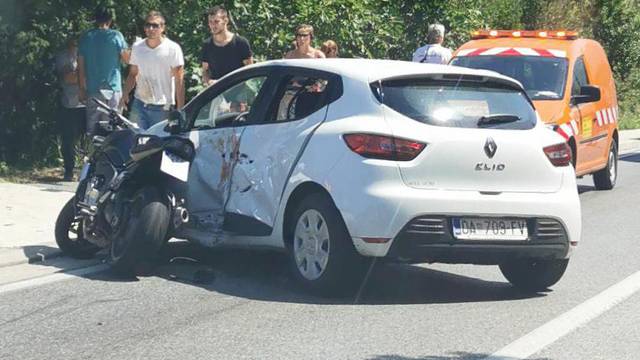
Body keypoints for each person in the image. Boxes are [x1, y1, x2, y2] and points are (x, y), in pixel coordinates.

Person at [120, 11, 185, 130]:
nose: (151, 28)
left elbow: (179, 80)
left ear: (162, 28)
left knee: (158, 144)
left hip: (162, 107)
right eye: (148, 25)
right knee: (135, 140)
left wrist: (180, 109)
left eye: (155, 25)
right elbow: (133, 74)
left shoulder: (172, 49)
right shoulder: (138, 47)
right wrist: (125, 94)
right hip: (139, 103)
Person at [78, 6, 129, 135]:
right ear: (110, 20)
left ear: (95, 19)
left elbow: (81, 66)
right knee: (113, 129)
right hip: (113, 89)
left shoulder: (86, 37)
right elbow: (127, 59)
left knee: (92, 129)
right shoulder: (116, 36)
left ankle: (92, 153)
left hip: (93, 89)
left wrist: (81, 88)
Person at [55, 38, 85, 181]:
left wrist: (81, 75)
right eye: (74, 43)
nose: (76, 45)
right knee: (68, 140)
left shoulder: (88, 55)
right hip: (69, 104)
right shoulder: (63, 57)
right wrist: (85, 74)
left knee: (94, 139)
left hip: (87, 104)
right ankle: (69, 170)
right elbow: (69, 78)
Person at [201, 5, 253, 86]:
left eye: (216, 21)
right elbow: (205, 71)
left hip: (240, 93)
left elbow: (250, 71)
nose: (213, 25)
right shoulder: (207, 45)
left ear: (225, 20)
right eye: (210, 22)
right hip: (217, 93)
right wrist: (208, 81)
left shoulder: (241, 43)